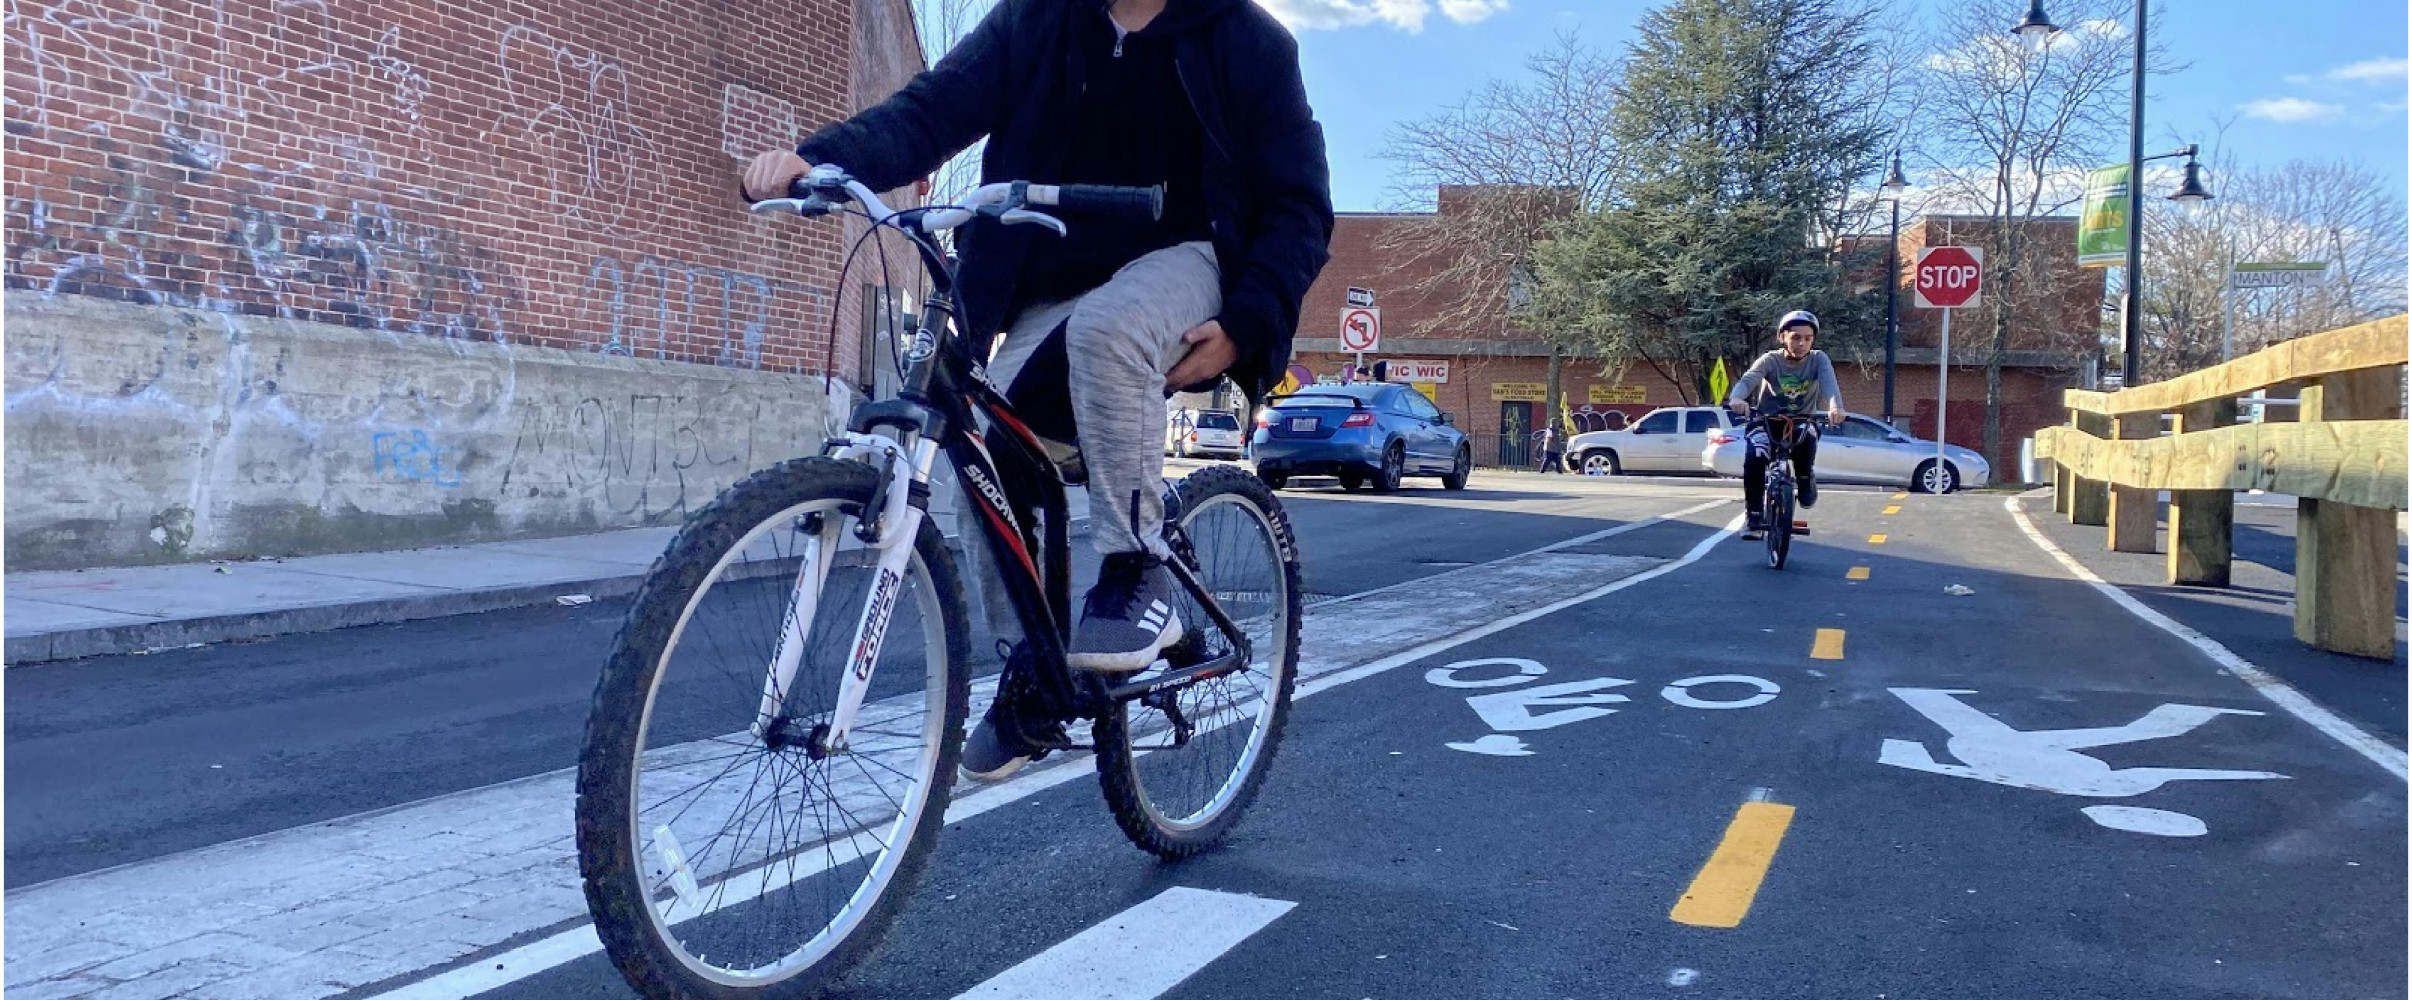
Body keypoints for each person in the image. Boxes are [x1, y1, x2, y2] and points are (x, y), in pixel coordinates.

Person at [741, 0, 1333, 781]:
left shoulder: (1245, 39)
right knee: (982, 447)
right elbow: (931, 110)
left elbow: (1298, 205)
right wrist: (817, 159)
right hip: (1050, 280)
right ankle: (1035, 671)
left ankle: (1136, 568)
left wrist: (1249, 321)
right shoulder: (1038, 20)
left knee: (1107, 332)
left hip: (1193, 258)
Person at [1726, 310, 1844, 540]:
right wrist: (1737, 399)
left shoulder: (1819, 359)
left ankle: (1804, 480)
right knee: (1756, 456)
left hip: (1802, 420)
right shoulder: (1771, 360)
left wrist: (1835, 407)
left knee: (1807, 439)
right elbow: (1748, 379)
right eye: (1796, 337)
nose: (1801, 343)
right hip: (1766, 421)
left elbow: (1830, 386)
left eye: (1808, 338)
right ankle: (1754, 516)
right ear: (1782, 337)